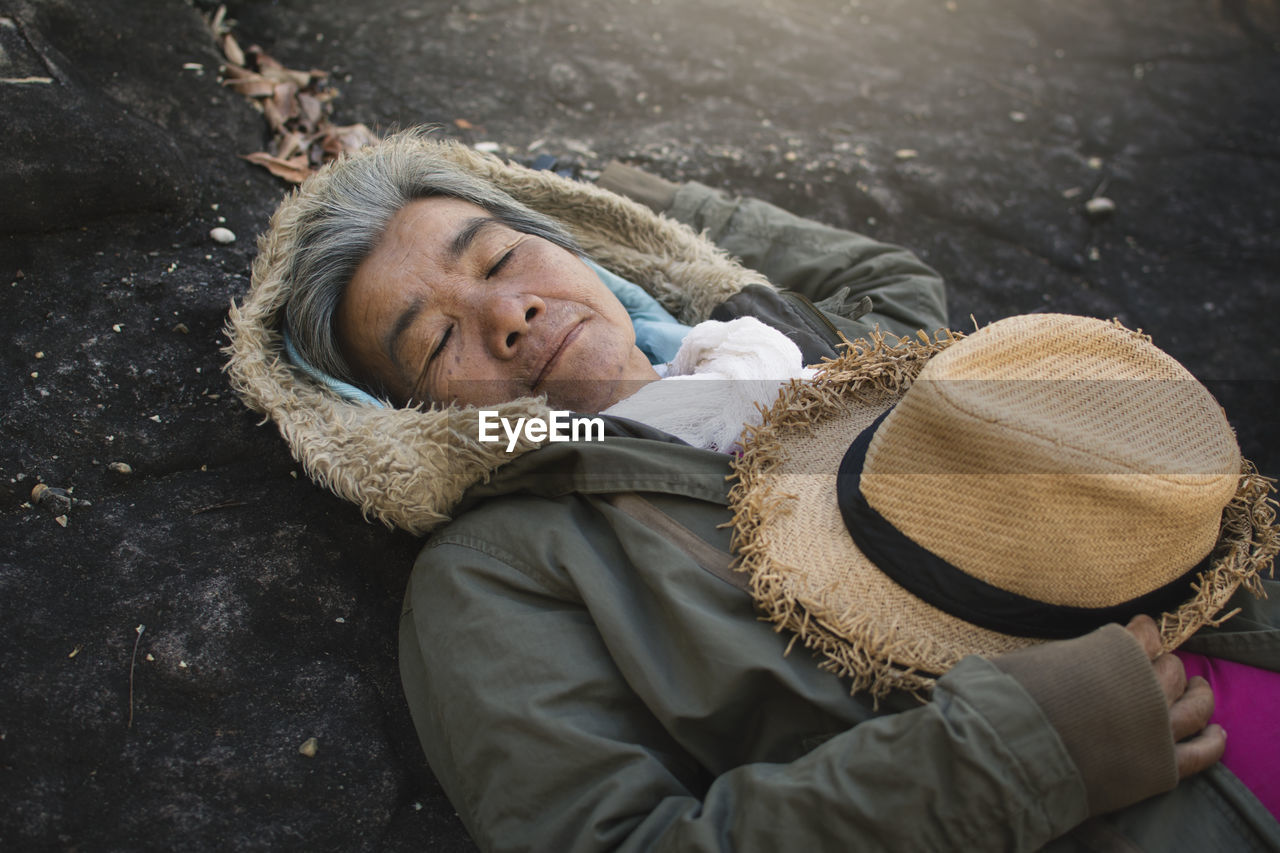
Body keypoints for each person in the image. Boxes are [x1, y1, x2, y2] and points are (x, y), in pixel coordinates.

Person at [224, 129, 1280, 851]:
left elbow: (885, 270)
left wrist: (641, 207)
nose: (507, 314)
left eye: (501, 254)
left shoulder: (800, 343)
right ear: (405, 415)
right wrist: (1002, 763)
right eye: (437, 338)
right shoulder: (500, 573)